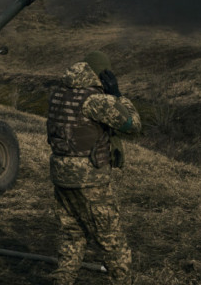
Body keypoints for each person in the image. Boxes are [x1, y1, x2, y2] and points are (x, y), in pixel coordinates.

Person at [46, 51, 141, 285]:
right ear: (101, 74)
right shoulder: (96, 100)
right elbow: (133, 123)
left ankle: (63, 279)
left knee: (72, 234)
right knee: (111, 239)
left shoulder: (58, 93)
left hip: (61, 175)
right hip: (90, 179)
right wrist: (117, 96)